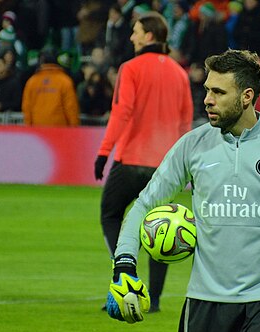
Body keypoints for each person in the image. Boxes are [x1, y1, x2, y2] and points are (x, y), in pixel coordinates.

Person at [105, 49, 260, 332]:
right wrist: (124, 266)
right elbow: (144, 205)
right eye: (206, 90)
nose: (207, 100)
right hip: (204, 302)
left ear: (246, 96)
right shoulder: (193, 145)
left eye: (218, 92)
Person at [95, 12, 193, 313]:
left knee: (111, 215)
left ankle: (127, 275)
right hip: (164, 166)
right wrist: (184, 166)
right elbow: (185, 121)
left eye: (135, 31)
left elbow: (122, 111)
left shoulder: (131, 68)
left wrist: (104, 152)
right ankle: (156, 300)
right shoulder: (179, 73)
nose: (131, 37)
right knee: (159, 228)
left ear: (149, 35)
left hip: (132, 159)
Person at [21, 49, 79, 126]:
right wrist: (74, 129)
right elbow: (71, 108)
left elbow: (26, 108)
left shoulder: (32, 81)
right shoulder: (65, 81)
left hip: (37, 131)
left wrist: (28, 128)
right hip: (60, 132)